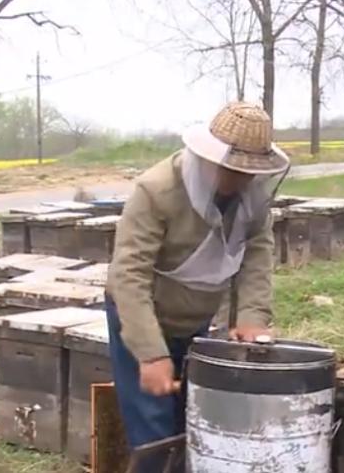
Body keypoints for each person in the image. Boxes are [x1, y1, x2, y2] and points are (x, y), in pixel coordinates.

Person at [104, 102, 289, 468]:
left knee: (193, 417)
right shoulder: (156, 190)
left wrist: (252, 318)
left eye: (248, 172)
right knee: (154, 431)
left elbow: (257, 255)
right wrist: (150, 354)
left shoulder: (253, 196)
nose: (240, 180)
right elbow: (129, 274)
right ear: (208, 156)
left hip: (197, 318)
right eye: (232, 170)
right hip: (144, 317)